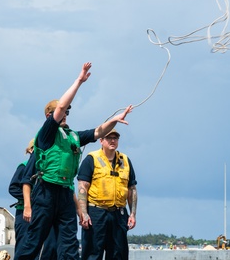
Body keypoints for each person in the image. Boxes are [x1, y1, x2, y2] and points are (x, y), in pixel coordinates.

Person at [14, 62, 133, 260]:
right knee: (33, 243)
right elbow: (60, 106)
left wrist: (115, 120)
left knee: (69, 245)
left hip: (65, 193)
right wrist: (79, 81)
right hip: (45, 193)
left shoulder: (73, 136)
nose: (66, 113)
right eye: (63, 111)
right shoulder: (46, 134)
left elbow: (98, 132)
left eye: (69, 112)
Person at [77, 128, 137, 260]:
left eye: (115, 138)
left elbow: (131, 188)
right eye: (109, 138)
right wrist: (84, 213)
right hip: (96, 213)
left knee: (118, 253)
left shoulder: (125, 161)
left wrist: (132, 214)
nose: (113, 140)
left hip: (119, 214)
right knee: (93, 253)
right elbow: (82, 187)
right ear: (101, 140)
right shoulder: (91, 159)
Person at [8, 139, 36, 251]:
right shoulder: (23, 166)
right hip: (23, 213)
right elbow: (13, 188)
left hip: (39, 211)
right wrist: (30, 198)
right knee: (24, 245)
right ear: (29, 150)